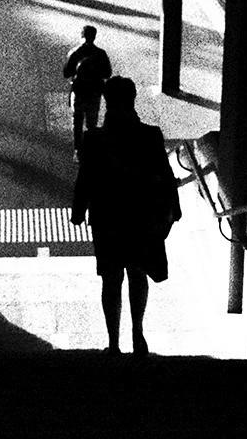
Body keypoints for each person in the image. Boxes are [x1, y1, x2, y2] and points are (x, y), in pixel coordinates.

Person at [71, 76, 182, 356]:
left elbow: (86, 178)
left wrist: (78, 210)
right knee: (137, 273)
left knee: (111, 280)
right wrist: (174, 209)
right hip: (142, 216)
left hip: (107, 217)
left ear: (107, 102)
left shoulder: (94, 139)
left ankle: (113, 343)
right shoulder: (150, 135)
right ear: (133, 100)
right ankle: (138, 333)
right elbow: (166, 174)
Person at [63, 25, 112, 162]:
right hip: (94, 94)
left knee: (77, 122)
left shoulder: (75, 52)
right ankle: (91, 150)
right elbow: (107, 73)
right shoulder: (100, 53)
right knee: (91, 124)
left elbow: (66, 73)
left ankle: (78, 151)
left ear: (81, 36)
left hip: (78, 92)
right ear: (94, 37)